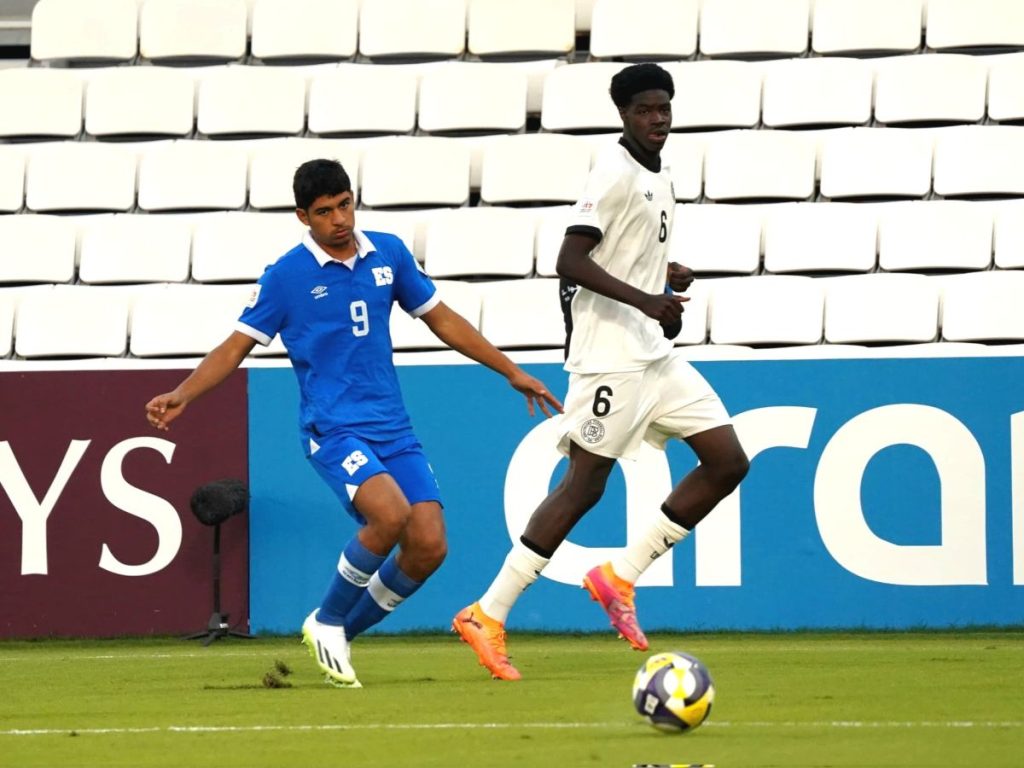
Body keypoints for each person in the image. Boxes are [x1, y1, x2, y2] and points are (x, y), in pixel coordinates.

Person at [146, 159, 562, 688]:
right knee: (388, 514)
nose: (339, 219)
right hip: (333, 429)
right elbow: (235, 346)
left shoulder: (386, 251)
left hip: (393, 426)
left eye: (345, 204)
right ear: (304, 216)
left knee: (430, 544)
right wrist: (183, 393)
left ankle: (340, 630)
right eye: (324, 212)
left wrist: (512, 372)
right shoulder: (286, 277)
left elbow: (443, 318)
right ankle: (325, 618)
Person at [452, 63, 750, 681]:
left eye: (663, 107)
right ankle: (487, 612)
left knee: (727, 461)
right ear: (623, 114)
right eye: (644, 109)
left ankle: (618, 575)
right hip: (609, 356)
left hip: (652, 354)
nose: (657, 118)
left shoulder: (660, 168)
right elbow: (569, 259)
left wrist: (664, 274)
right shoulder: (613, 172)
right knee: (584, 487)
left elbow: (627, 248)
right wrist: (646, 299)